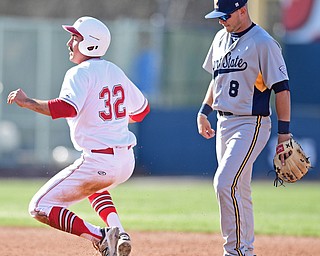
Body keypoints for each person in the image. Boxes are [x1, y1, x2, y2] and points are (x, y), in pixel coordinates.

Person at [7, 16, 150, 256]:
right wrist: (111, 120)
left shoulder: (79, 73)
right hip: (126, 161)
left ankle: (102, 236)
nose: (69, 43)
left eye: (75, 37)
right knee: (93, 187)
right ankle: (118, 231)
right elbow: (142, 111)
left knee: (39, 207)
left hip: (99, 161)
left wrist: (27, 102)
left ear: (90, 44)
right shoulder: (114, 70)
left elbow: (67, 108)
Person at [197, 1, 291, 255]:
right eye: (218, 16)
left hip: (251, 122)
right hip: (223, 121)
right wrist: (204, 111)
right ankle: (246, 250)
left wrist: (284, 133)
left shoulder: (263, 42)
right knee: (239, 188)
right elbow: (217, 79)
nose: (221, 20)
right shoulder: (219, 38)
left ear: (242, 10)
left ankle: (235, 251)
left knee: (224, 183)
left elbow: (281, 89)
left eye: (225, 15)